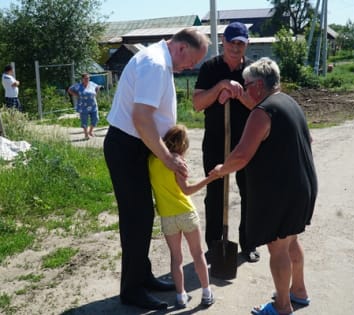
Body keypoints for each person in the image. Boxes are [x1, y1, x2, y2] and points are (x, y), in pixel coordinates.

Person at [103, 28, 209, 310]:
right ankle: (132, 290)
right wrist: (167, 158)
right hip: (128, 147)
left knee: (143, 215)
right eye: (191, 61)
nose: (190, 67)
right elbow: (141, 119)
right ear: (182, 48)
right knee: (135, 218)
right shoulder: (155, 64)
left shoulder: (158, 61)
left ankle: (143, 275)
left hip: (137, 147)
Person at [209, 57, 318, 315]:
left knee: (277, 247)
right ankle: (298, 292)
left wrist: (221, 170)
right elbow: (309, 139)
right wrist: (235, 96)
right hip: (304, 186)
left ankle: (282, 307)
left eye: (246, 86)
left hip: (283, 192)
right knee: (291, 241)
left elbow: (241, 156)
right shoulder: (289, 102)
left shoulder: (261, 113)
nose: (246, 91)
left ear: (258, 85)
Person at [192, 21, 260, 263]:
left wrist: (238, 94)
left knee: (250, 193)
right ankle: (214, 244)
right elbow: (198, 103)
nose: (235, 47)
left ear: (246, 45)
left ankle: (248, 243)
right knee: (215, 192)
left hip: (247, 142)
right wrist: (219, 87)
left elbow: (260, 107)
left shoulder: (253, 72)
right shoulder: (210, 68)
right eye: (232, 42)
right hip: (215, 142)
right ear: (223, 41)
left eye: (240, 43)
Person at [148, 124, 215, 309]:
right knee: (198, 254)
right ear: (182, 144)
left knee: (176, 258)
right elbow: (186, 190)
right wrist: (210, 178)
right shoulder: (177, 162)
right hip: (186, 213)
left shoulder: (152, 161)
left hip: (167, 217)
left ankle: (180, 296)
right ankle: (207, 292)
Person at [67, 73, 100, 139]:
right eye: (85, 78)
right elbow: (69, 90)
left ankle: (90, 131)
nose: (87, 79)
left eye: (88, 78)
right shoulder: (78, 86)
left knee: (95, 119)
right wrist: (76, 95)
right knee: (84, 120)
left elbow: (97, 87)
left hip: (93, 105)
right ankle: (86, 134)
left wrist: (96, 93)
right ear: (82, 79)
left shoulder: (92, 84)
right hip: (83, 107)